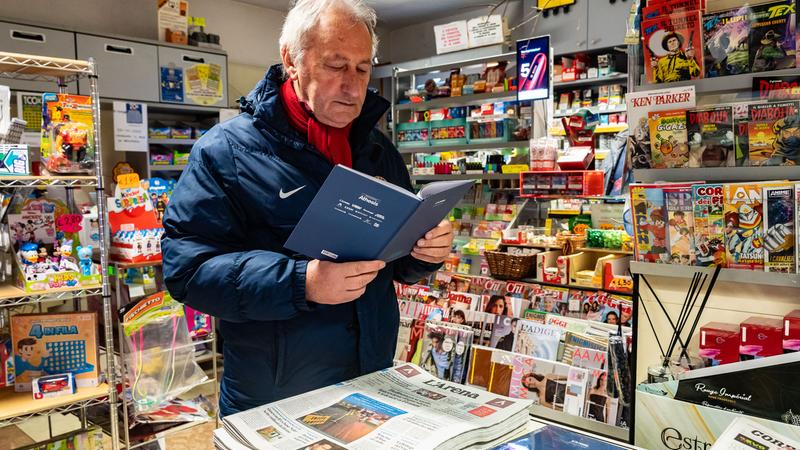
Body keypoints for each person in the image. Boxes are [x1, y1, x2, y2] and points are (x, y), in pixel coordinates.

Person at [161, 0, 453, 417]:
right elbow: (188, 272)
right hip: (274, 397)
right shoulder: (224, 152)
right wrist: (302, 283)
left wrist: (425, 252)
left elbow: (396, 264)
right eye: (335, 65)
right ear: (291, 61)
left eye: (362, 69)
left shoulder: (377, 149)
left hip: (370, 379)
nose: (353, 87)